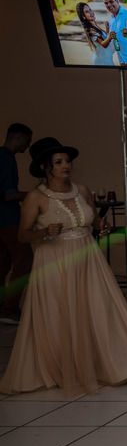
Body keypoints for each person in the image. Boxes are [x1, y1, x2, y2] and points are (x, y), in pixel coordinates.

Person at [0, 138, 127, 396]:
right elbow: (22, 236)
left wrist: (100, 227)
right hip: (54, 260)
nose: (66, 166)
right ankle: (63, 369)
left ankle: (113, 364)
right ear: (45, 167)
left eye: (68, 161)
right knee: (60, 313)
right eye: (59, 162)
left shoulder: (82, 190)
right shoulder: (36, 197)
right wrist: (45, 233)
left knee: (98, 308)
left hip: (87, 258)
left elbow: (93, 220)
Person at [0, 123, 33, 325]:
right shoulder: (6, 157)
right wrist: (37, 195)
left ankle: (3, 309)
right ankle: (9, 310)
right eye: (27, 142)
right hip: (8, 218)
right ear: (19, 138)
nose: (27, 147)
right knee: (25, 260)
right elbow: (10, 194)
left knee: (2, 264)